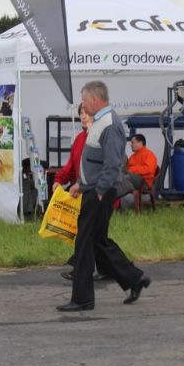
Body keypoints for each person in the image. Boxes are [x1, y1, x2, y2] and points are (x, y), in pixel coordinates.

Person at [57, 81, 151, 312]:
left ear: (95, 99)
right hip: (93, 189)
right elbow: (95, 162)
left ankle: (83, 299)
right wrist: (80, 183)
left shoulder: (110, 124)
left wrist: (98, 191)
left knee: (84, 243)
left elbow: (112, 164)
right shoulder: (101, 120)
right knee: (97, 241)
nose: (82, 104)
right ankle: (134, 279)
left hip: (100, 193)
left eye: (84, 99)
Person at [52, 104, 112, 282]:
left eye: (87, 113)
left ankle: (84, 270)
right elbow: (72, 165)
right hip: (83, 192)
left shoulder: (102, 138)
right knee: (93, 236)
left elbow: (109, 167)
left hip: (99, 192)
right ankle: (105, 269)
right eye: (81, 114)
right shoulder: (79, 139)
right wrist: (59, 179)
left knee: (91, 235)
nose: (84, 116)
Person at [119, 134, 159, 209]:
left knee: (124, 178)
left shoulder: (149, 154)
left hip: (144, 182)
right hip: (133, 179)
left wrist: (132, 170)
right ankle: (118, 204)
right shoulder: (132, 157)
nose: (131, 145)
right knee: (119, 178)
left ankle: (115, 201)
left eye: (133, 142)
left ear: (140, 143)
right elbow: (127, 169)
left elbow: (148, 169)